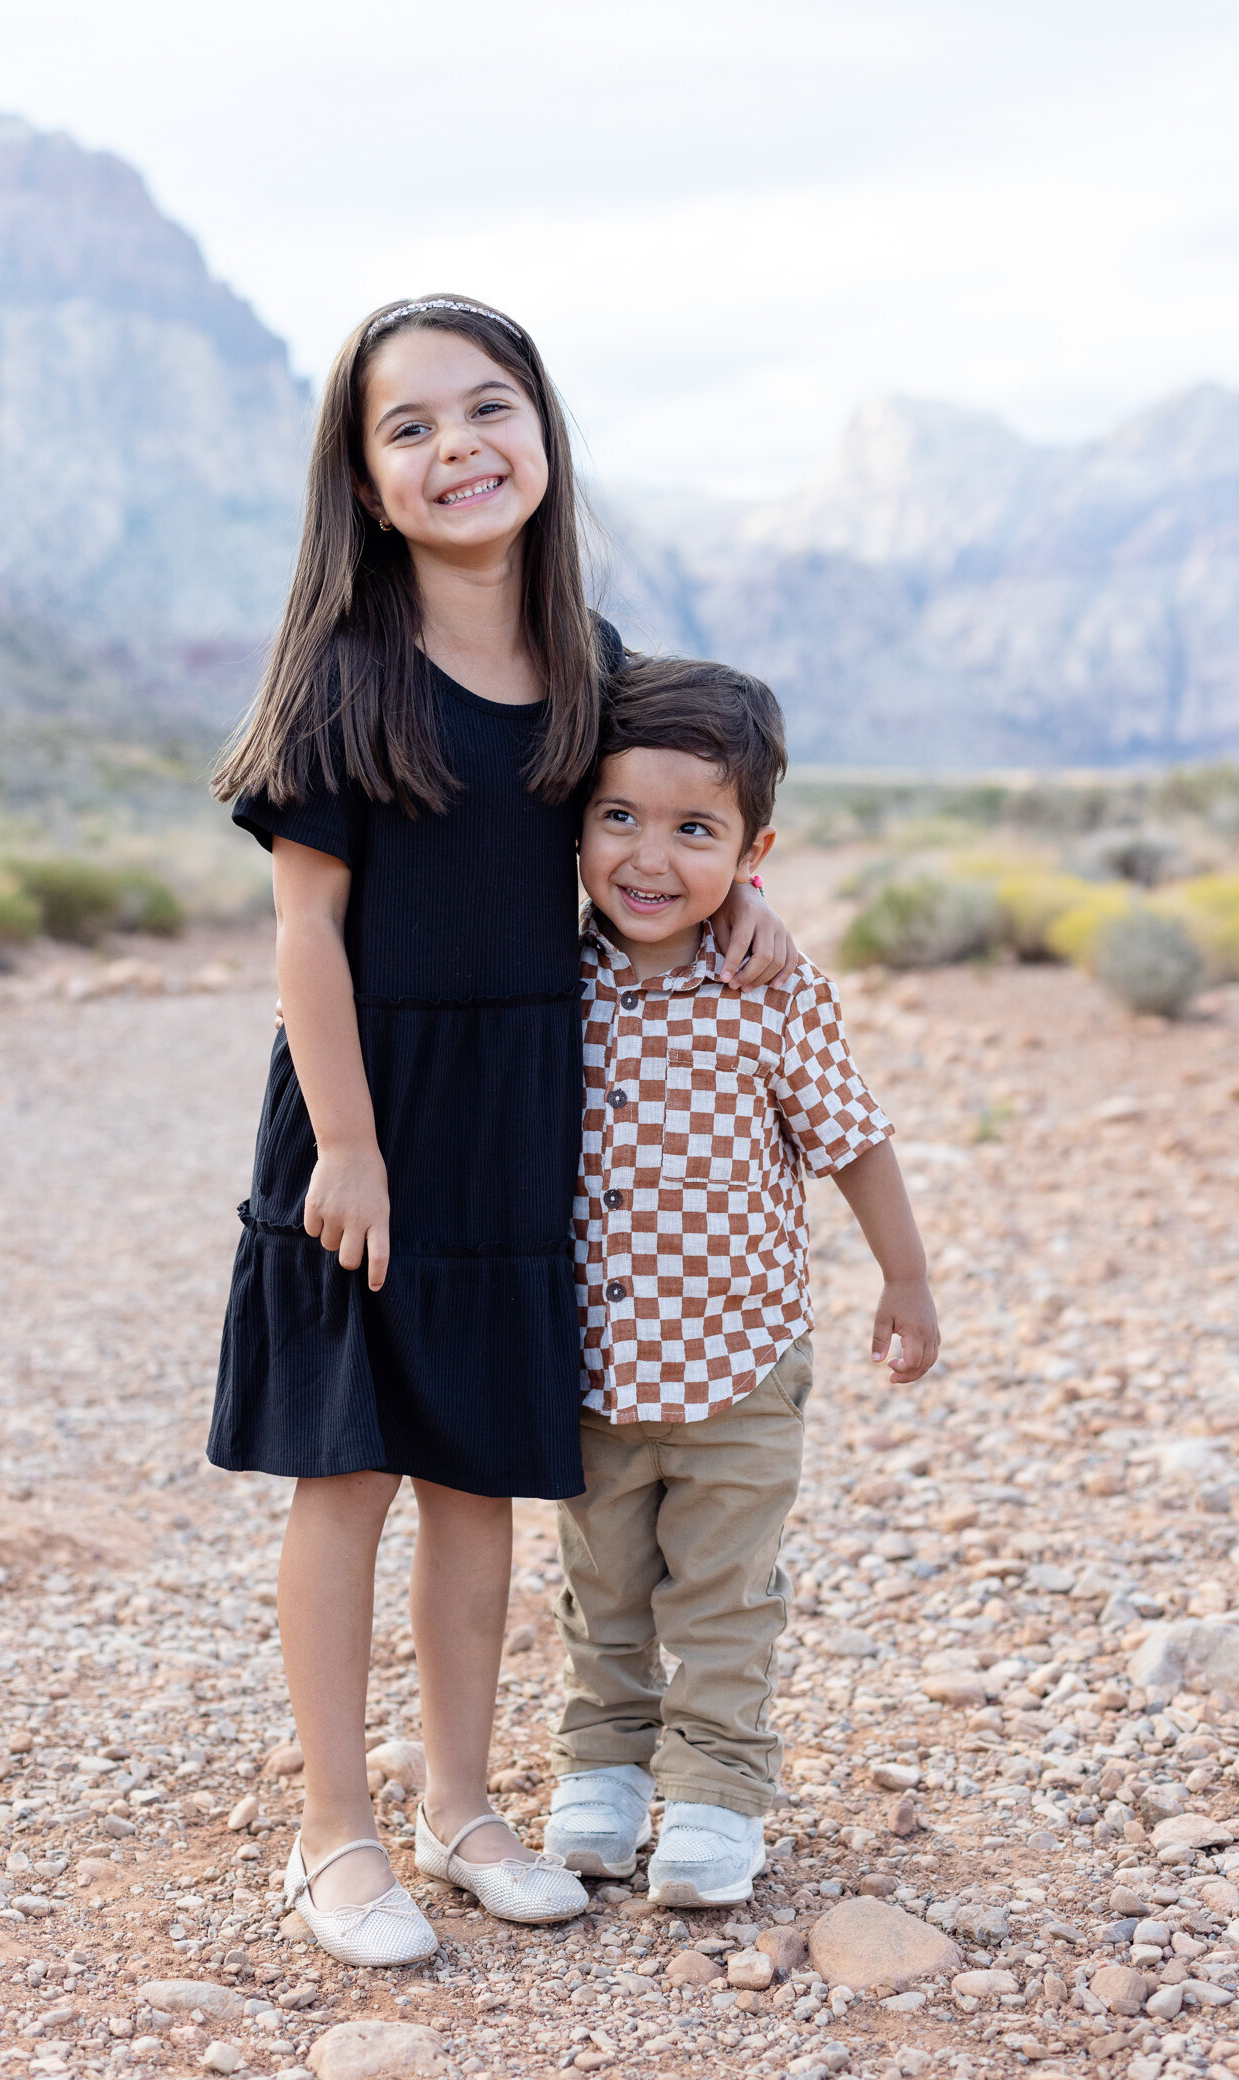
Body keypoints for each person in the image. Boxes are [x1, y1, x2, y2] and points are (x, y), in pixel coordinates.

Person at [207, 297, 797, 1966]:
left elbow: (669, 828)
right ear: (367, 478)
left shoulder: (588, 664)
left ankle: (462, 1808)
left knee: (476, 1487)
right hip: (368, 1121)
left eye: (489, 409)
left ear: (540, 435)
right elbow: (304, 933)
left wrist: (750, 907)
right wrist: (346, 1144)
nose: (457, 446)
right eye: (410, 426)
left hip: (524, 1119)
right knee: (349, 1474)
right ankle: (338, 1835)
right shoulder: (346, 668)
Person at [543, 656, 940, 1906]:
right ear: (574, 822)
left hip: (740, 1361)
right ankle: (601, 1770)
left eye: (693, 830)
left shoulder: (770, 987)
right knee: (600, 1585)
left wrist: (904, 1281)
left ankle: (715, 1789)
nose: (649, 858)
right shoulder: (553, 977)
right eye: (619, 817)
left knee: (722, 1595)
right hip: (592, 1362)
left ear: (752, 848)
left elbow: (851, 1137)